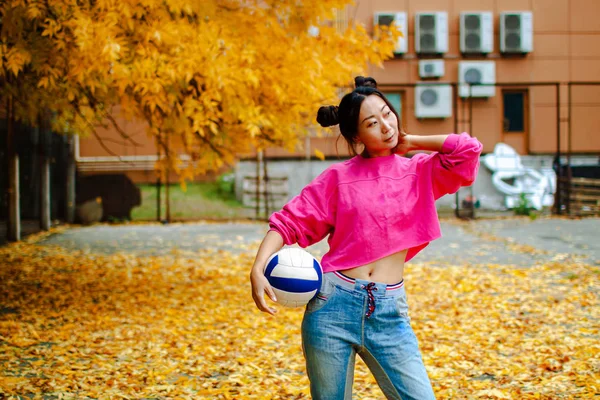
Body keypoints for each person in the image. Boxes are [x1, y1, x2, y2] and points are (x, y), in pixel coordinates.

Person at [250, 76, 483, 399]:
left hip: (389, 310)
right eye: (372, 122)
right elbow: (287, 223)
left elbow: (467, 151)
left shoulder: (419, 171)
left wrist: (412, 140)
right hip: (332, 306)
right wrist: (258, 267)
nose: (386, 126)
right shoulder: (337, 178)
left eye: (388, 113)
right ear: (356, 135)